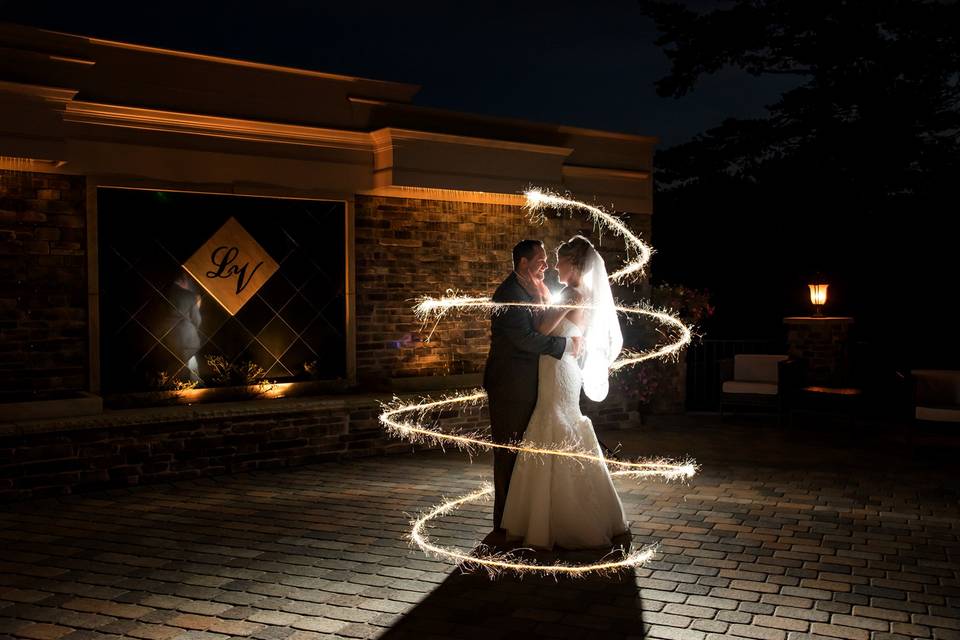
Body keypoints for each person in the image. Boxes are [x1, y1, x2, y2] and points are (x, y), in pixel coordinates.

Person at [500, 235, 629, 549]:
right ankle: (566, 511)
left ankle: (559, 516)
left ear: (574, 264)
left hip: (558, 370)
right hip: (561, 368)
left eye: (559, 259)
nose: (554, 265)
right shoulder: (577, 292)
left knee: (554, 424)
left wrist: (543, 301)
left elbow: (543, 329)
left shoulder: (571, 293)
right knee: (562, 423)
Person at [483, 240, 583, 538]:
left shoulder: (538, 287)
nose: (547, 264)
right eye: (540, 259)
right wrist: (564, 345)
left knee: (527, 451)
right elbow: (525, 339)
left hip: (535, 383)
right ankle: (504, 522)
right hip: (510, 386)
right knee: (509, 449)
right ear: (523, 263)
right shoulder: (509, 294)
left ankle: (525, 517)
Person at [168, 272, 202, 383]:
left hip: (170, 338)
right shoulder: (189, 295)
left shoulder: (167, 293)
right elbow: (196, 319)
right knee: (192, 370)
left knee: (175, 369)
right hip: (188, 337)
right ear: (184, 281)